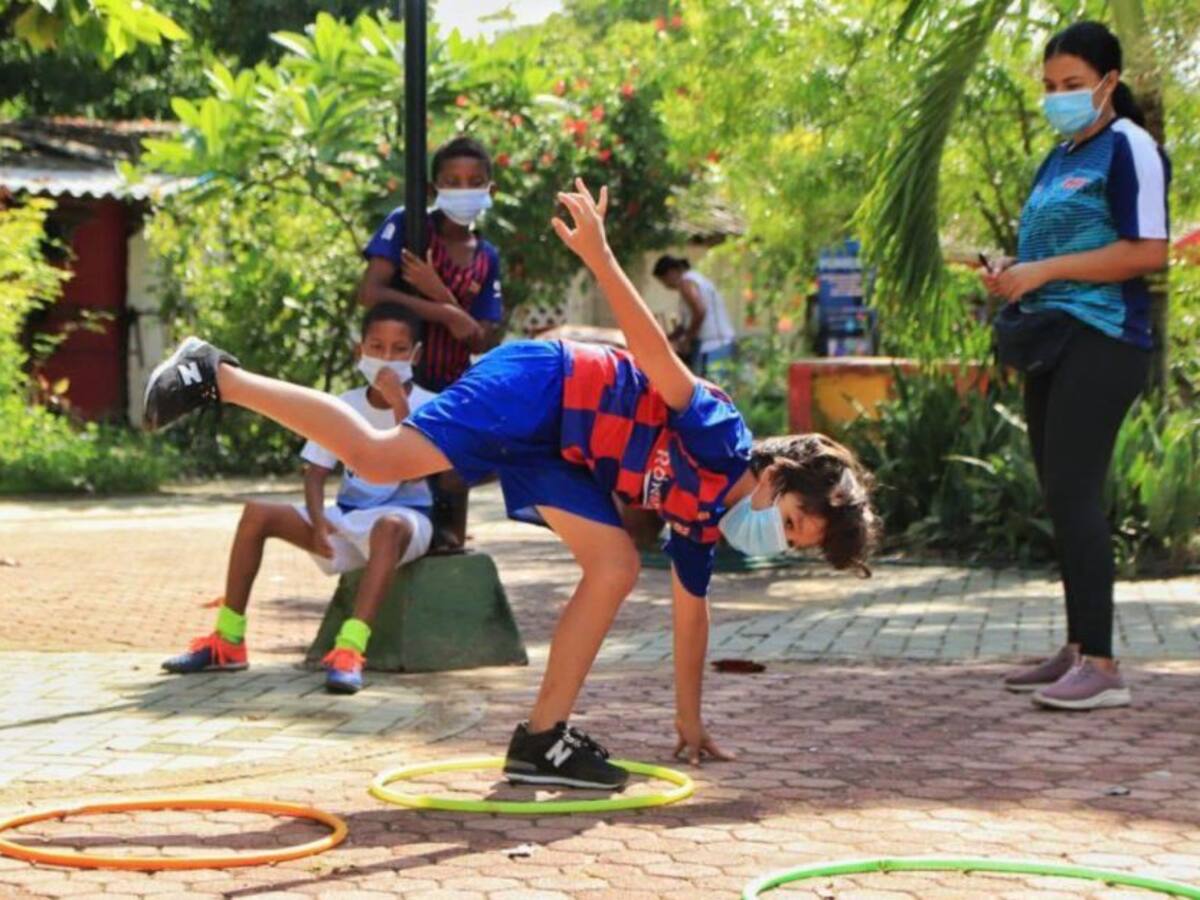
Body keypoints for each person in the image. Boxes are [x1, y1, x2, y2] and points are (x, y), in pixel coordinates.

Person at [143, 180, 877, 790]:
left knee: (616, 565)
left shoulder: (699, 525)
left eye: (793, 547)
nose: (776, 544)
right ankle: (218, 373)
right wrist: (600, 256)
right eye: (786, 525)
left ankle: (540, 740)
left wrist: (689, 724)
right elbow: (655, 356)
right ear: (775, 477)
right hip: (545, 383)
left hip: (556, 445)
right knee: (379, 457)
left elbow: (693, 620)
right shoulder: (722, 438)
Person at [982, 21, 1170, 710]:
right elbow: (1043, 250)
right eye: (1049, 87)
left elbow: (1149, 251)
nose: (1058, 98)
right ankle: (1075, 646)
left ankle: (1103, 663)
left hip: (1106, 338)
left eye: (1073, 86)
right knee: (1059, 493)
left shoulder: (1131, 148)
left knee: (1076, 490)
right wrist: (1011, 272)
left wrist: (1045, 271)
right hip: (1051, 339)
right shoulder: (1060, 157)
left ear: (1109, 84)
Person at [161, 303, 436, 695]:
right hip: (347, 518)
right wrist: (316, 517)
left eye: (398, 349)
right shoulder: (344, 403)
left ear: (416, 355)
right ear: (360, 351)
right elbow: (316, 470)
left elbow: (417, 469)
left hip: (406, 520)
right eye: (377, 346)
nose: (387, 358)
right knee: (258, 513)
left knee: (387, 527)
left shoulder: (431, 404)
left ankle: (350, 649)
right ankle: (228, 640)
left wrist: (399, 406)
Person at [359, 135, 504, 549]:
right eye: (452, 181)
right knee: (402, 463)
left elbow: (478, 335)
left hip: (454, 378)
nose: (463, 190)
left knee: (454, 466)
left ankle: (448, 538)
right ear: (433, 188)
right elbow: (370, 292)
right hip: (404, 371)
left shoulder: (486, 255)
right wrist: (445, 312)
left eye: (474, 181)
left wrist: (439, 292)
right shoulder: (410, 225)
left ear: (490, 190)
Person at [652, 254, 736, 377]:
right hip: (718, 343)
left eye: (664, 281)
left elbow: (700, 312)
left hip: (713, 345)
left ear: (671, 272)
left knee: (709, 389)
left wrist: (687, 340)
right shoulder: (695, 279)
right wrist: (667, 338)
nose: (666, 286)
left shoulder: (686, 283)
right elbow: (687, 323)